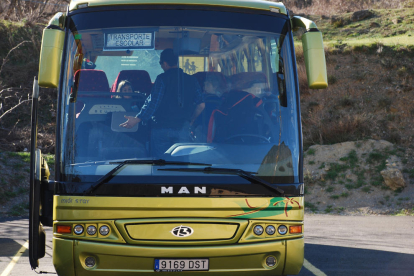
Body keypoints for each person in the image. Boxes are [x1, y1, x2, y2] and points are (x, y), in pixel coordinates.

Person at [120, 48, 205, 157]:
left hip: (161, 129)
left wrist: (138, 119)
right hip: (183, 128)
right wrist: (191, 120)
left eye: (161, 64)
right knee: (182, 165)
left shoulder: (162, 79)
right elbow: (201, 105)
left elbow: (153, 103)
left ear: (165, 63)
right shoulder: (193, 80)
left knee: (160, 164)